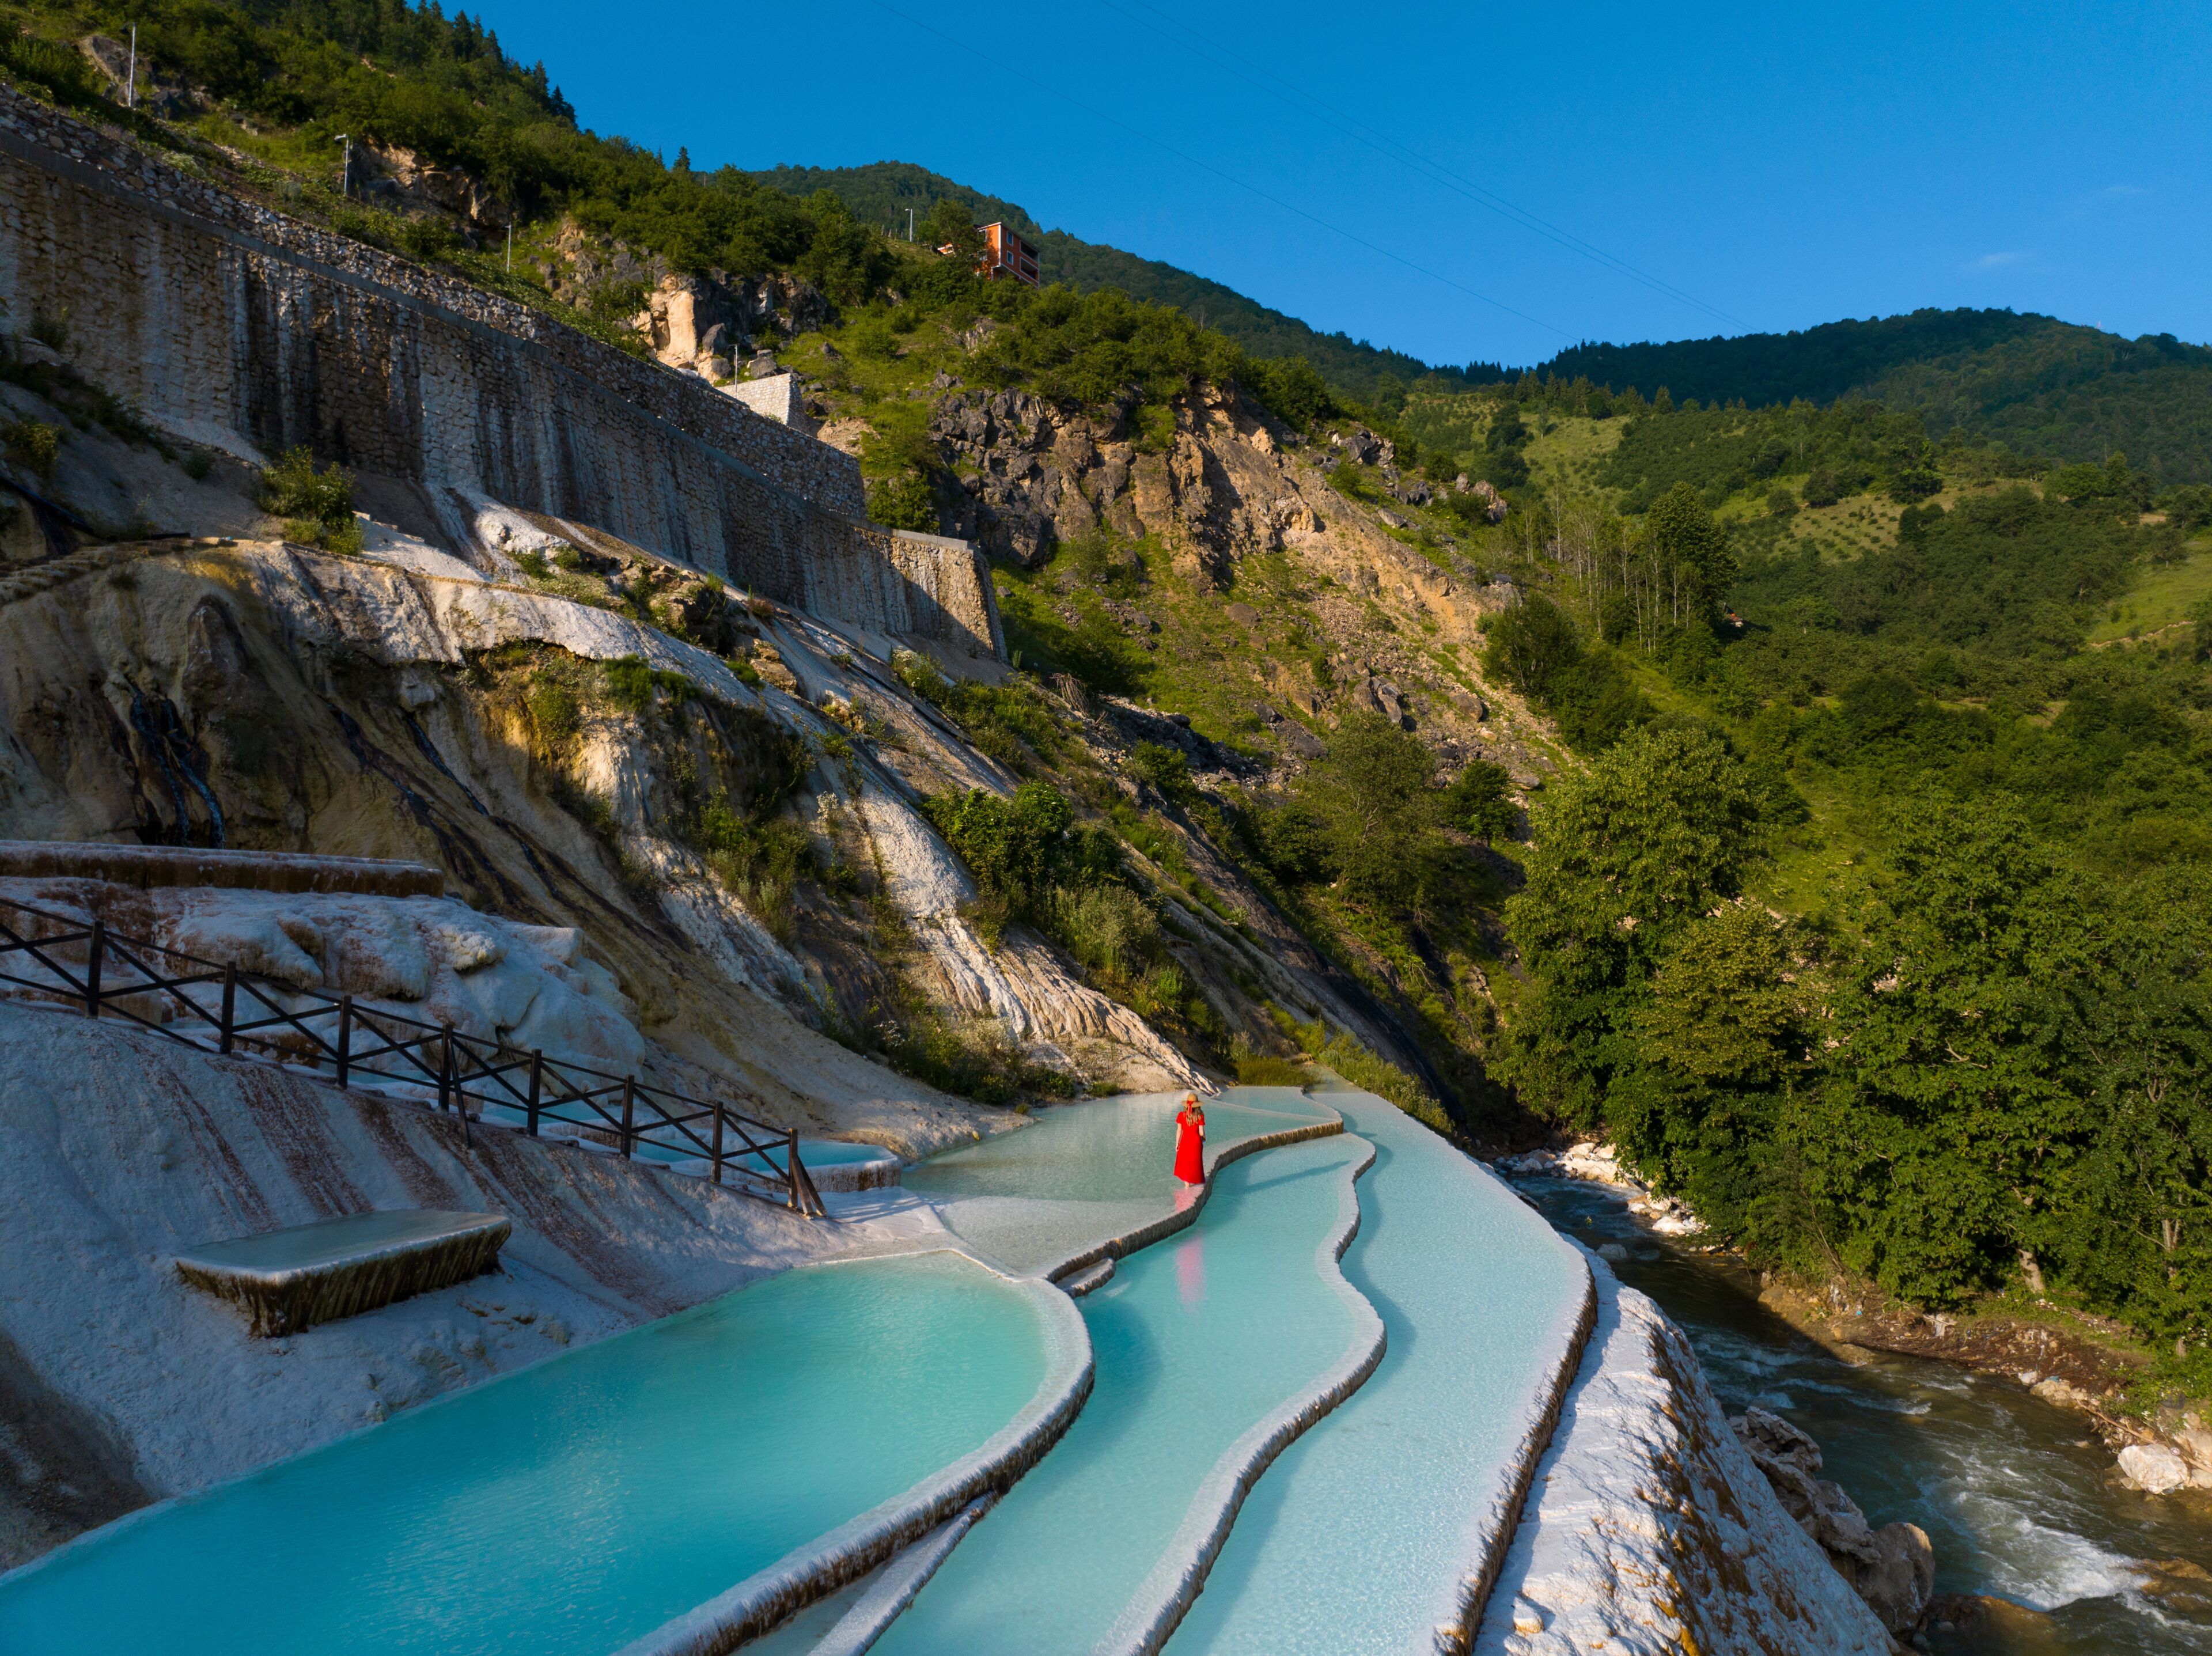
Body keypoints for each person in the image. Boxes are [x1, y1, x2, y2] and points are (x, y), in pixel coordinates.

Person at [1172, 1093, 1206, 1185]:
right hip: (1196, 1142)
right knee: (1195, 1163)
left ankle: (1187, 1185)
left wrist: (1177, 1144)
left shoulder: (1181, 1115)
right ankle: (1194, 1181)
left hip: (1185, 1142)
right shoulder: (1200, 1116)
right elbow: (1201, 1132)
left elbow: (1179, 1131)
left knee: (1185, 1163)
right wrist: (1203, 1138)